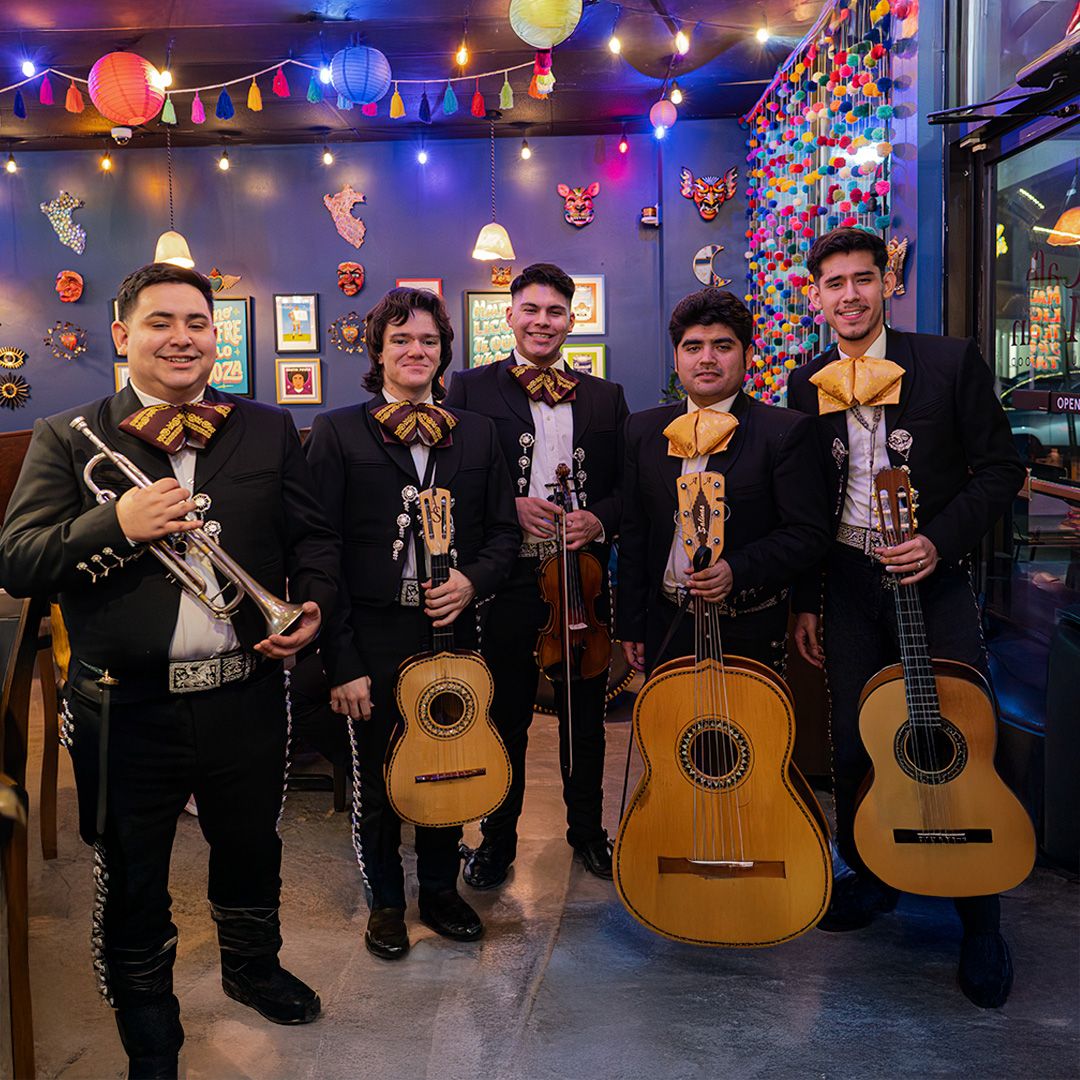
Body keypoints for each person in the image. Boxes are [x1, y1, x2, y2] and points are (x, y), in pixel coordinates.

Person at [0, 264, 340, 1078]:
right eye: (160, 322)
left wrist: (315, 604)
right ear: (123, 335)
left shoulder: (266, 428)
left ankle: (251, 966)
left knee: (251, 844)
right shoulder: (67, 436)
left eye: (197, 322)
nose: (182, 338)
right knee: (132, 870)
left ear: (216, 337)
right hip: (126, 707)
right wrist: (114, 521)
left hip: (244, 692)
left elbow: (313, 540)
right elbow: (17, 561)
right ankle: (150, 1033)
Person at [787, 227, 1027, 1008]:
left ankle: (980, 918)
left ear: (887, 284)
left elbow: (1001, 470)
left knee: (961, 730)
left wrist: (938, 541)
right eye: (834, 283)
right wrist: (805, 599)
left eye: (863, 278)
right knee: (856, 737)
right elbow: (805, 505)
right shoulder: (805, 380)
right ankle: (874, 873)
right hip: (849, 578)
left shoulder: (949, 362)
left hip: (935, 575)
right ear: (815, 297)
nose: (850, 295)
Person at [305, 287, 520, 960]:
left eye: (428, 340)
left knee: (447, 761)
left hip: (455, 629)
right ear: (378, 352)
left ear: (444, 351)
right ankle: (387, 903)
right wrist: (340, 661)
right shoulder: (338, 431)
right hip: (373, 633)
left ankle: (441, 891)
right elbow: (320, 551)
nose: (415, 351)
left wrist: (472, 580)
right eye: (401, 339)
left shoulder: (477, 432)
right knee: (377, 775)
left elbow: (505, 536)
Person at [445, 263, 629, 887]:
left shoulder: (605, 396)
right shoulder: (468, 388)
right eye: (531, 309)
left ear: (572, 320)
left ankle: (588, 833)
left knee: (585, 716)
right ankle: (498, 841)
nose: (542, 322)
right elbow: (452, 481)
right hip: (508, 581)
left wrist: (599, 519)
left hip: (584, 582)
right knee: (507, 714)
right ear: (511, 316)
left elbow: (628, 491)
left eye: (555, 312)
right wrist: (510, 505)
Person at [618, 288, 831, 677]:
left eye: (722, 346)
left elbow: (807, 533)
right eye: (693, 347)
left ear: (747, 356)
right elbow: (635, 532)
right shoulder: (642, 430)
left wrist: (737, 568)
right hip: (667, 623)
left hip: (749, 626)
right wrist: (632, 623)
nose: (707, 358)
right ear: (677, 357)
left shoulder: (785, 431)